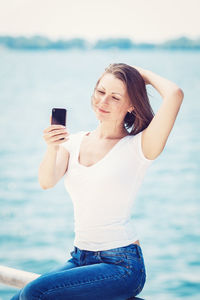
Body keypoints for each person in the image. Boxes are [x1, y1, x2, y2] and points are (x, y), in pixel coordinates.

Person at [11, 63, 184, 300]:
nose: (103, 102)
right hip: (80, 258)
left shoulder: (139, 146)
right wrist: (52, 148)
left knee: (35, 292)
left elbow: (175, 94)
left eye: (115, 97)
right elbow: (46, 181)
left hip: (121, 266)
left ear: (131, 105)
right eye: (101, 92)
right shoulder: (74, 141)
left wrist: (141, 74)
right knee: (18, 296)